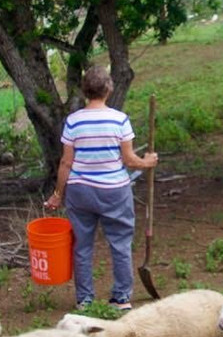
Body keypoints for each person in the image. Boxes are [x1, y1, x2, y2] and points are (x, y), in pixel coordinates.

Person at [44, 65, 158, 311]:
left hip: (80, 191)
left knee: (82, 245)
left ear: (85, 90)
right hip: (114, 191)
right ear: (108, 89)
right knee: (120, 243)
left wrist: (57, 195)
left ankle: (85, 300)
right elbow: (129, 160)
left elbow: (66, 162)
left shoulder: (73, 122)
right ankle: (121, 298)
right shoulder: (120, 120)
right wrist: (147, 162)